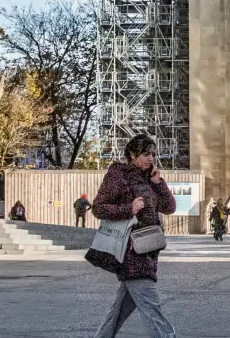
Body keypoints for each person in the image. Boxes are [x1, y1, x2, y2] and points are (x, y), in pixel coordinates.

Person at [91, 133, 179, 338]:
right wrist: (128, 209)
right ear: (132, 154)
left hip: (148, 251)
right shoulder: (118, 175)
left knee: (119, 311)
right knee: (152, 309)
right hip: (131, 254)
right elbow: (98, 208)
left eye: (153, 155)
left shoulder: (149, 179)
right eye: (146, 154)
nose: (151, 159)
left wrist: (159, 183)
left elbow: (169, 207)